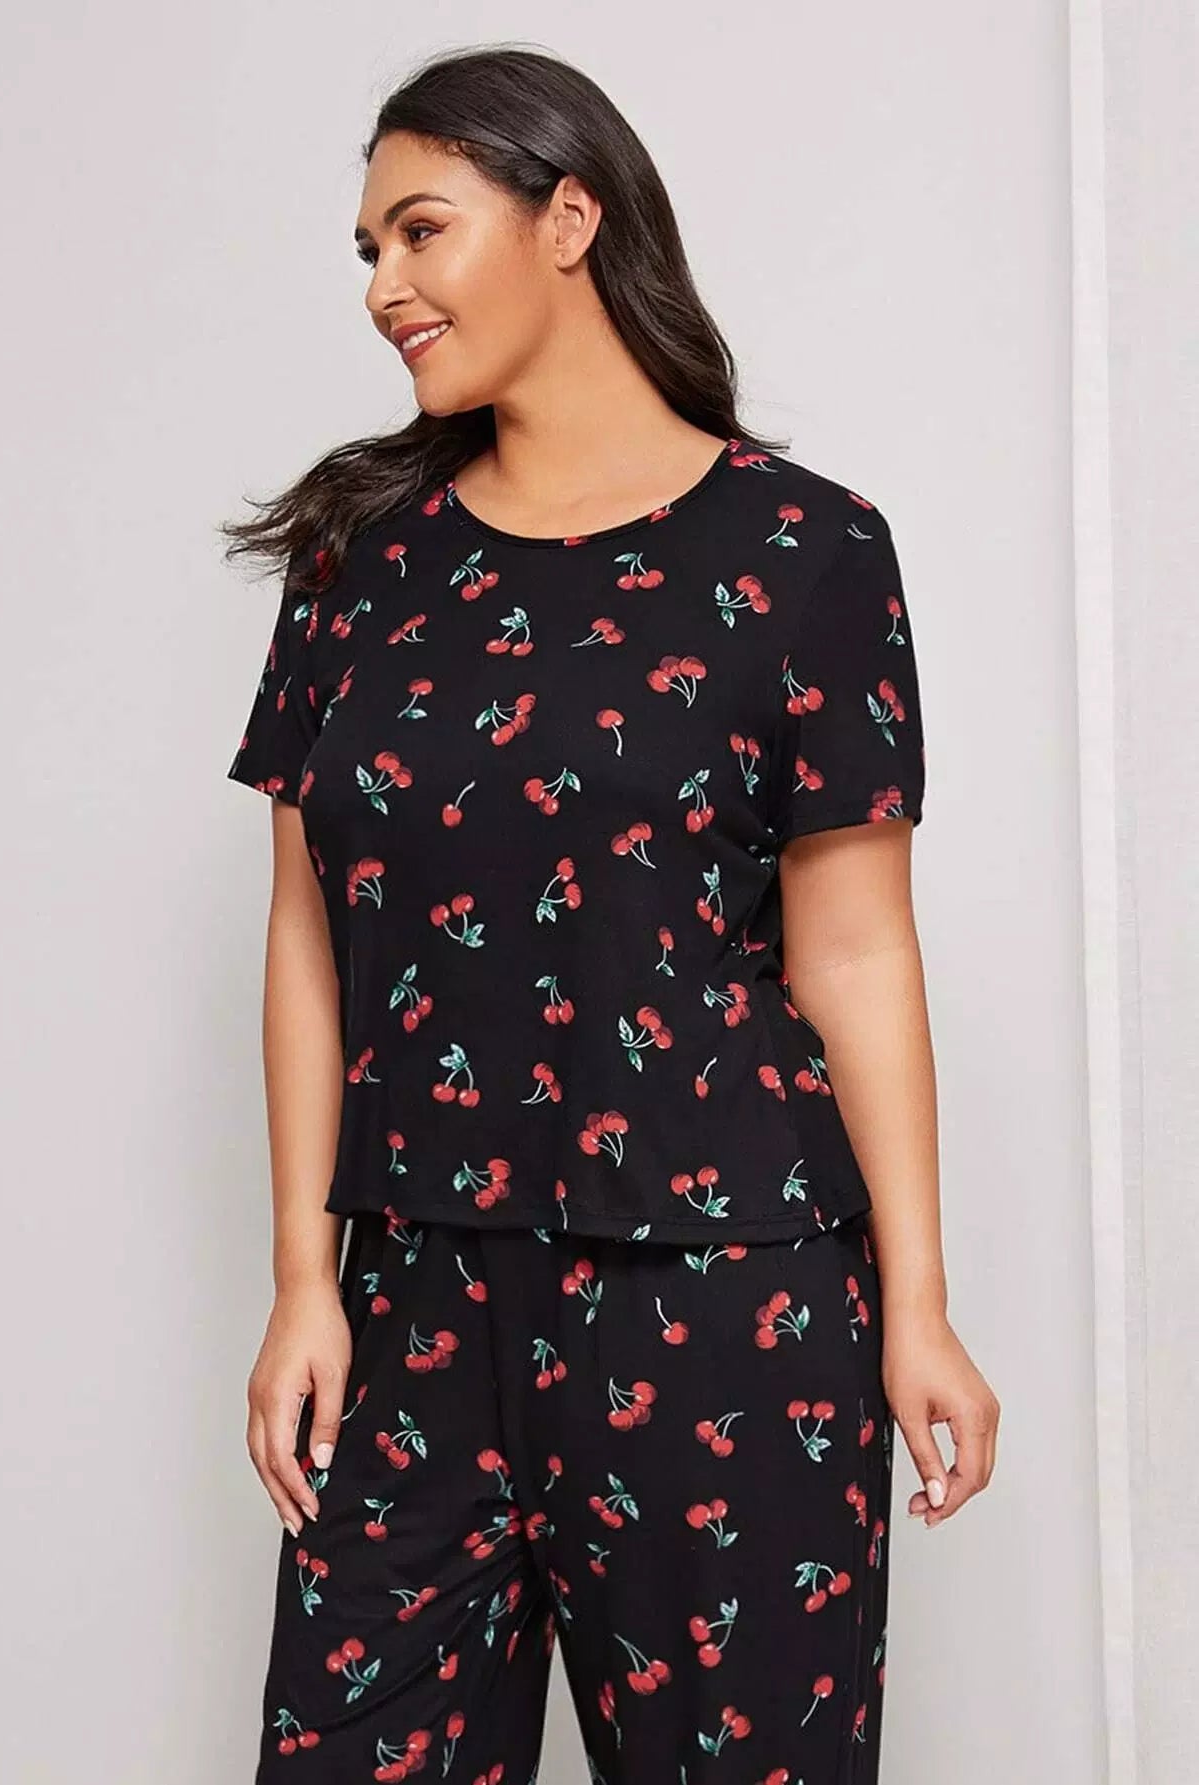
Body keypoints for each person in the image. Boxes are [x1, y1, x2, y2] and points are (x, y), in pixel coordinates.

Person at [221, 42, 999, 1785]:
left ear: (569, 218)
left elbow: (855, 947)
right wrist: (300, 1279)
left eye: (421, 230)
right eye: (367, 249)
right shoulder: (358, 558)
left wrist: (921, 1303)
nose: (384, 285)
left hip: (729, 1295)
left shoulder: (806, 551)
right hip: (417, 1297)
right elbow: (305, 931)